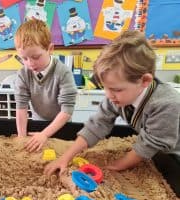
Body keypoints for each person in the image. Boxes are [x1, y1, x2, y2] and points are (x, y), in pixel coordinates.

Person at [45, 30, 180, 176]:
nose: (109, 95)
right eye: (105, 88)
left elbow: (148, 145)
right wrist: (65, 157)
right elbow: (97, 125)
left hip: (174, 153)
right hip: (157, 148)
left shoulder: (166, 104)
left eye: (116, 89)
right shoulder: (116, 96)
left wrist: (117, 165)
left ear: (145, 81)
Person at [14, 19, 77, 152]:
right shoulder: (23, 74)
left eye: (36, 57)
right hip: (38, 123)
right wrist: (21, 136)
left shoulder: (63, 72)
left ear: (50, 49)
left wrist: (45, 134)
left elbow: (66, 110)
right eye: (24, 58)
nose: (30, 63)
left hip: (61, 126)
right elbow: (21, 107)